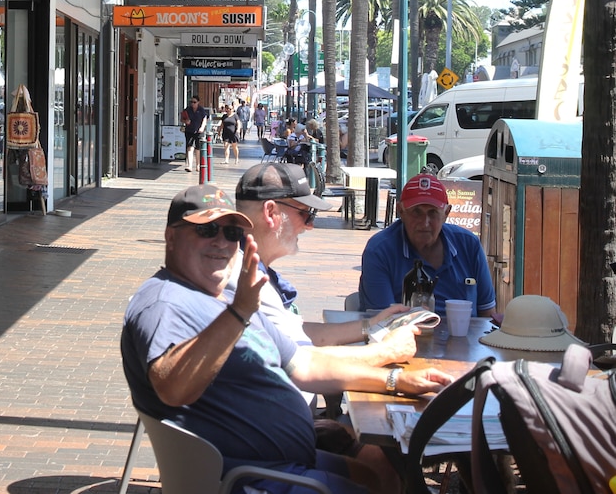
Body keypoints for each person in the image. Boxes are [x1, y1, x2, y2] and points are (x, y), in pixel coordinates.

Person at [121, 184, 454, 494]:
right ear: (170, 237)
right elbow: (172, 387)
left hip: (281, 460)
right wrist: (239, 313)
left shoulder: (226, 297)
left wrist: (397, 379)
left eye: (232, 232)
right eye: (206, 230)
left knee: (380, 473)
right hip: (246, 477)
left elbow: (305, 363)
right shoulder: (166, 302)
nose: (221, 242)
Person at [233, 163, 417, 494]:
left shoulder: (250, 270)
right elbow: (306, 366)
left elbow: (298, 335)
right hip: (270, 446)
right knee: (383, 460)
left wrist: (369, 325)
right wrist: (388, 357)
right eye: (306, 214)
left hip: (282, 427)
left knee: (380, 456)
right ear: (272, 213)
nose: (310, 226)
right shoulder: (245, 283)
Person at [359, 173, 498, 317]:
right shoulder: (380, 250)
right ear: (401, 211)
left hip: (465, 337)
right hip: (401, 336)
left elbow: (487, 314)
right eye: (416, 212)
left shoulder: (469, 245)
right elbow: (382, 322)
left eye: (433, 213)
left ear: (446, 213)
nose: (425, 223)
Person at [181, 94, 208, 173]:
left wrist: (202, 127)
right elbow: (182, 119)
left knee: (198, 149)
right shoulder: (187, 110)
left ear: (198, 102)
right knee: (190, 147)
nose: (192, 104)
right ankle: (189, 166)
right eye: (191, 102)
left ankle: (198, 165)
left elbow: (204, 119)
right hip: (189, 130)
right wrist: (185, 121)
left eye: (194, 102)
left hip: (198, 131)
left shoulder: (201, 110)